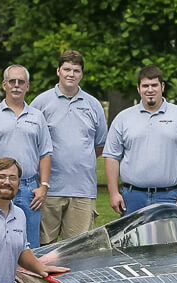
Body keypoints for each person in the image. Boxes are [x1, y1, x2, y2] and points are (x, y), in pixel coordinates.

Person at [0, 64, 53, 283]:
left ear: (27, 86)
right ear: (3, 85)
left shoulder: (37, 116)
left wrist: (43, 186)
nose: (16, 85)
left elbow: (45, 152)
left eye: (21, 81)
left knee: (28, 247)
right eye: (11, 81)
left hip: (28, 189)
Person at [31, 50, 107, 245]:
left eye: (76, 70)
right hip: (49, 189)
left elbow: (99, 145)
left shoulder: (93, 105)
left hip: (83, 189)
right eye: (66, 69)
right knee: (44, 248)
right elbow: (32, 142)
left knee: (78, 251)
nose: (71, 74)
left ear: (81, 74)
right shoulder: (41, 103)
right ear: (58, 71)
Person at [103, 65, 177, 215]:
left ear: (162, 86)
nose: (150, 90)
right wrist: (114, 193)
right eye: (145, 86)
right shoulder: (123, 118)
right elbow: (111, 157)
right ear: (138, 88)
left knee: (169, 239)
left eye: (154, 85)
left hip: (171, 196)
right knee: (134, 239)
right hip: (132, 197)